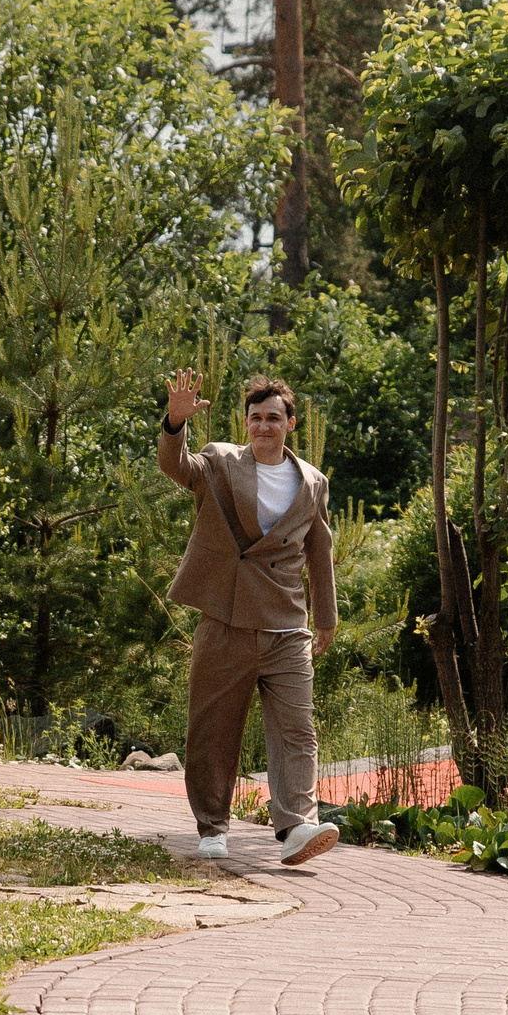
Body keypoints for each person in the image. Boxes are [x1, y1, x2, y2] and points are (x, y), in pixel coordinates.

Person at [158, 368, 339, 864]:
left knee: (297, 729)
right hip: (225, 617)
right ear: (245, 422)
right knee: (213, 728)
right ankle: (212, 826)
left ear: (290, 424)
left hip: (286, 624)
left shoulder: (313, 482)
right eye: (256, 417)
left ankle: (298, 825)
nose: (264, 425)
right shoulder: (220, 462)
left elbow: (319, 550)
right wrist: (175, 423)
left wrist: (326, 618)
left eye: (274, 418)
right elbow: (178, 468)